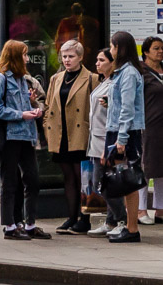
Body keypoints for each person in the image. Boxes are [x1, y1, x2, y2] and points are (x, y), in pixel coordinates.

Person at [0, 39, 46, 240]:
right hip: (9, 137)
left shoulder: (23, 80)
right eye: (24, 54)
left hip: (26, 136)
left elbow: (23, 105)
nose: (27, 58)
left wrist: (32, 106)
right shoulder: (1, 79)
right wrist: (21, 114)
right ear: (15, 57)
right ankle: (9, 225)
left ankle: (29, 223)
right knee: (10, 181)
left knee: (32, 179)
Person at [41, 39, 99, 233]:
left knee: (82, 176)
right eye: (64, 56)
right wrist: (47, 127)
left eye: (71, 56)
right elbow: (48, 105)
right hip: (60, 134)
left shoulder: (92, 78)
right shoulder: (56, 79)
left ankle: (85, 217)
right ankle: (71, 216)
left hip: (80, 133)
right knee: (68, 177)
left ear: (81, 57)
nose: (67, 60)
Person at [103, 30, 146, 243]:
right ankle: (129, 227)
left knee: (129, 180)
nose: (111, 51)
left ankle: (132, 228)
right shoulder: (122, 72)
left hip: (125, 132)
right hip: (119, 130)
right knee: (124, 179)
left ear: (120, 48)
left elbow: (128, 109)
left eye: (112, 46)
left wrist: (121, 139)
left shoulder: (128, 73)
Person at [87, 47, 126, 237]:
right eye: (97, 59)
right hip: (96, 139)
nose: (97, 63)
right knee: (104, 182)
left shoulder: (116, 84)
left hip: (107, 140)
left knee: (102, 183)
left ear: (112, 62)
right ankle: (111, 221)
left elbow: (123, 111)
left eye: (101, 60)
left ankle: (121, 219)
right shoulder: (104, 82)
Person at [139, 35, 163, 226]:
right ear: (146, 52)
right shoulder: (141, 72)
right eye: (156, 48)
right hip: (149, 124)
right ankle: (140, 210)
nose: (160, 51)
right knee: (145, 165)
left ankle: (160, 209)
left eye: (162, 48)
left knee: (162, 167)